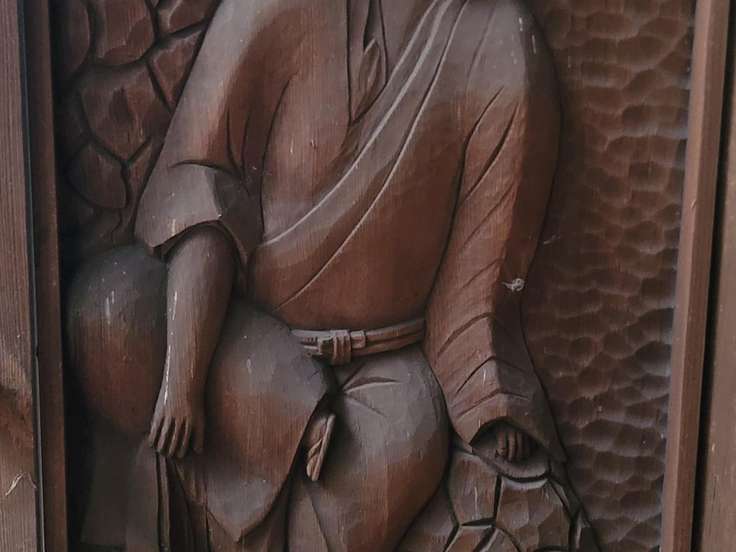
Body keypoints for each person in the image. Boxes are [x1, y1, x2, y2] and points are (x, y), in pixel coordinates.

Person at [70, 0, 566, 549]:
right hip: (234, 344)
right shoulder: (272, 9)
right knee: (106, 308)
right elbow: (201, 188)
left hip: (379, 373)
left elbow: (480, 271)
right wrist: (184, 376)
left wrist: (486, 394)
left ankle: (298, 430)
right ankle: (297, 412)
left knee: (388, 453)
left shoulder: (500, 42)